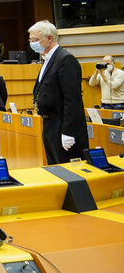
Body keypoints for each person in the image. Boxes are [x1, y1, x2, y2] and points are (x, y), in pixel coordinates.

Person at [28, 20, 88, 165]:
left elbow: (72, 99)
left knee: (69, 173)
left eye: (35, 40)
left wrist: (68, 132)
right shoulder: (47, 60)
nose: (32, 43)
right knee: (55, 170)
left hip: (62, 125)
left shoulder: (65, 59)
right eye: (30, 40)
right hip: (49, 124)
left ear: (49, 38)